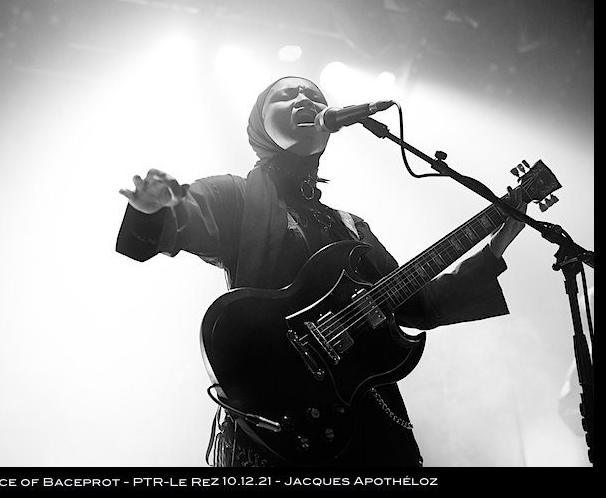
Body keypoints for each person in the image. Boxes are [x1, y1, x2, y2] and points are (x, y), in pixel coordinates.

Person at [116, 76, 526, 467]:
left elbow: (420, 306)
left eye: (314, 95)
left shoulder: (351, 227)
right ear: (260, 126)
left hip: (367, 417)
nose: (304, 100)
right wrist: (154, 210)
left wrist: (497, 245)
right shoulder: (236, 196)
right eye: (286, 95)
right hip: (280, 415)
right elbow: (186, 218)